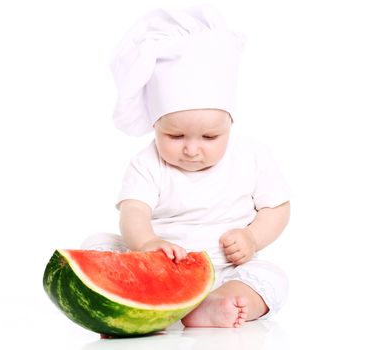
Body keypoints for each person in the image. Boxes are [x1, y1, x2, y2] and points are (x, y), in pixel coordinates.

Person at [82, 5, 291, 328]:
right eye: (175, 135)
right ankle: (145, 302)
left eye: (210, 136)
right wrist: (148, 243)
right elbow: (133, 212)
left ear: (230, 123)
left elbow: (277, 208)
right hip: (157, 265)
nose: (192, 149)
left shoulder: (252, 157)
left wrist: (251, 239)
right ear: (155, 126)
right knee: (97, 243)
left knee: (271, 278)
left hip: (226, 269)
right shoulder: (147, 163)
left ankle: (217, 304)